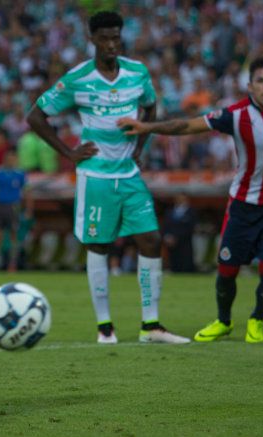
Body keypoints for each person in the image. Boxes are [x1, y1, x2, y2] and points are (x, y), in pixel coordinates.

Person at [118, 55, 263, 343]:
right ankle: (223, 321)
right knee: (226, 270)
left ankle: (256, 320)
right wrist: (147, 128)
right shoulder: (236, 115)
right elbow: (187, 126)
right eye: (261, 81)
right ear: (250, 87)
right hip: (241, 206)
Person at [27, 11, 189, 345]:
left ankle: (151, 326)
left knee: (151, 240)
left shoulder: (137, 72)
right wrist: (68, 153)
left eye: (116, 37)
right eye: (105, 38)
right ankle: (105, 329)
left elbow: (150, 108)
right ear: (93, 40)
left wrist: (140, 146)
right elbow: (36, 116)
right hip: (95, 175)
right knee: (99, 246)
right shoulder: (78, 78)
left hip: (129, 174)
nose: (112, 44)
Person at [0, 150, 27, 272]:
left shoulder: (20, 174)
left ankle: (12, 264)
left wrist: (28, 209)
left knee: (14, 236)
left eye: (13, 158)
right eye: (9, 158)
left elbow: (27, 192)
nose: (11, 161)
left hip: (13, 207)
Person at [162, 194, 197, 273]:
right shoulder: (169, 211)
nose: (179, 200)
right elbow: (165, 226)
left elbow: (190, 227)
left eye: (181, 198)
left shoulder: (191, 211)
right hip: (171, 242)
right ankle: (174, 270)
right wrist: (167, 237)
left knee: (185, 261)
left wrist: (177, 237)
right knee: (174, 260)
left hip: (184, 242)